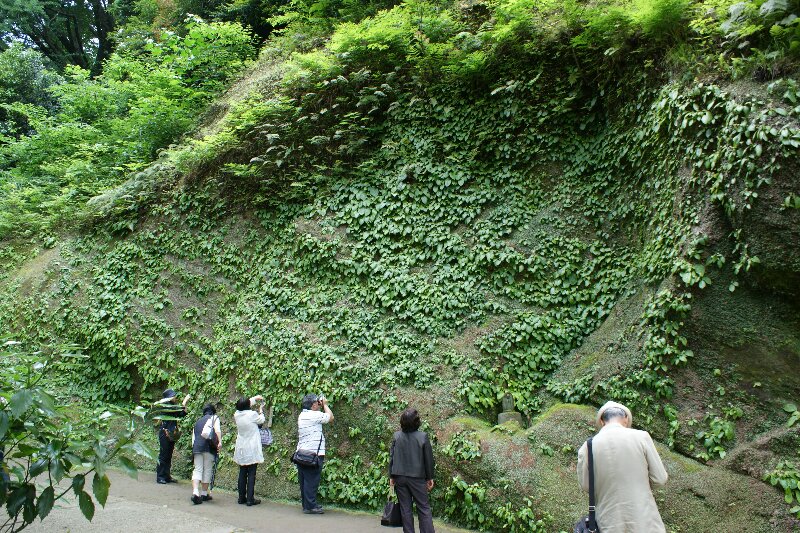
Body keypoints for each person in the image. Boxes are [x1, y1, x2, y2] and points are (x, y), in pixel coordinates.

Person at [577, 401, 669, 533]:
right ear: (625, 419)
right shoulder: (642, 437)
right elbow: (660, 478)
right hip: (644, 519)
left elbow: (586, 486)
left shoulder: (588, 446)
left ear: (602, 421)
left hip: (608, 522)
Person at [389, 408, 435, 533]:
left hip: (400, 477)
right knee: (423, 508)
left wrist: (391, 477)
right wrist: (430, 478)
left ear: (402, 422)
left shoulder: (396, 436)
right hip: (417, 478)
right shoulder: (422, 437)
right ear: (417, 422)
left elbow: (392, 458)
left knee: (405, 509)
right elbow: (428, 459)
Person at [296, 393, 333, 514]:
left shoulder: (302, 415)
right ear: (313, 405)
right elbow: (330, 417)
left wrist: (320, 404)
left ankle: (306, 505)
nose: (319, 403)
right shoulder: (314, 415)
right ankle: (311, 507)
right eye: (317, 402)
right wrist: (325, 405)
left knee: (304, 481)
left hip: (301, 453)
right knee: (312, 481)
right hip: (313, 455)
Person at [234, 394, 265, 506]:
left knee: (242, 472)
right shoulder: (252, 414)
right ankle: (250, 499)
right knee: (252, 473)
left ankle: (241, 498)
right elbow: (261, 420)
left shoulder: (237, 414)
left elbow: (245, 404)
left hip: (241, 447)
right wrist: (261, 410)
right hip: (252, 447)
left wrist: (255, 398)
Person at [155, 388, 190, 484]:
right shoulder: (166, 406)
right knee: (163, 455)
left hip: (171, 434)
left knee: (169, 455)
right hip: (164, 433)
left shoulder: (172, 406)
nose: (175, 397)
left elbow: (181, 414)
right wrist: (184, 401)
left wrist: (184, 406)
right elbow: (177, 410)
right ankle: (160, 477)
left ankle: (166, 476)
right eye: (173, 396)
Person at [190, 403, 221, 505]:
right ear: (213, 411)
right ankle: (203, 494)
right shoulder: (214, 418)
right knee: (207, 470)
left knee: (197, 469)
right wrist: (219, 442)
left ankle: (195, 492)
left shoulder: (198, 421)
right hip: (209, 448)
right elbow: (217, 431)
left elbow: (193, 438)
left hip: (197, 447)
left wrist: (194, 449)